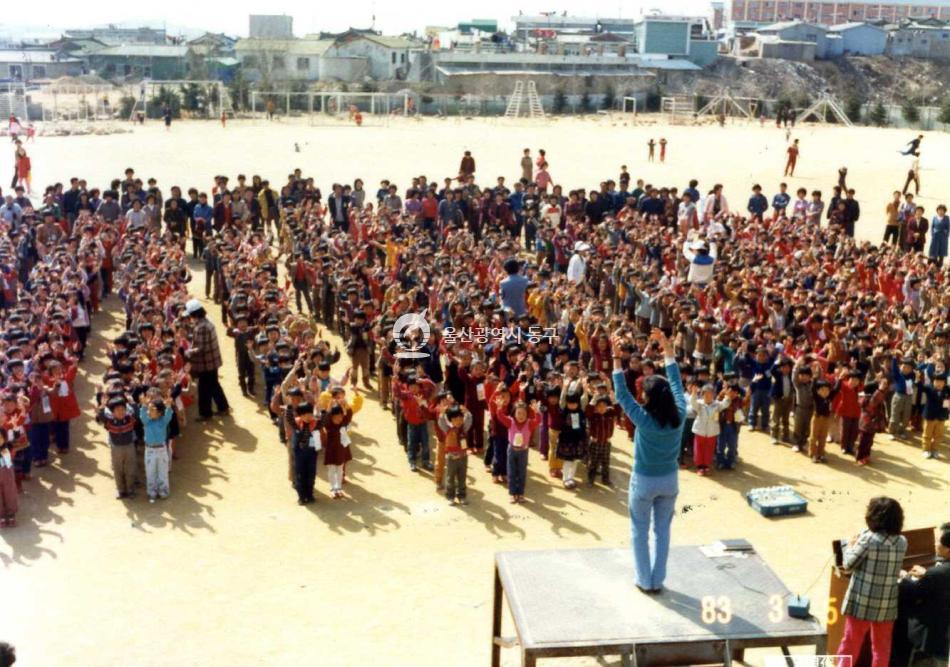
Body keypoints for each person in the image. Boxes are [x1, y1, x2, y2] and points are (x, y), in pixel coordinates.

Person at [612, 329, 686, 594]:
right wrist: (668, 351)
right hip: (670, 480)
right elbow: (676, 384)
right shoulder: (680, 414)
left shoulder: (643, 419)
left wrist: (616, 358)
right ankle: (658, 579)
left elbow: (621, 394)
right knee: (663, 532)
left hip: (643, 481)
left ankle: (645, 580)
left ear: (648, 398)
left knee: (639, 530)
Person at [837, 497, 908, 667]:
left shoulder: (868, 539)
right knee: (881, 647)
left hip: (862, 602)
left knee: (851, 642)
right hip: (887, 605)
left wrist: (850, 545)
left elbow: (847, 565)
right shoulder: (902, 542)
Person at [892, 522, 950, 667]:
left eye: (938, 541)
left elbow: (913, 592)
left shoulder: (936, 574)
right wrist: (926, 574)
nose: (935, 544)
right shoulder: (937, 573)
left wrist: (904, 577)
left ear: (948, 549)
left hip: (927, 639)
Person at [184, 298, 230, 421]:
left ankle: (206, 413)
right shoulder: (206, 322)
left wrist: (187, 352)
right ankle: (223, 407)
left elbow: (201, 348)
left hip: (206, 363)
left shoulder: (202, 327)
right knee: (214, 385)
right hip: (212, 361)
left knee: (204, 389)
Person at [139, 395, 174, 503]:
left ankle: (163, 491)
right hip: (150, 450)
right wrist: (144, 405)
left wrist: (168, 406)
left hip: (161, 450)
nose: (149, 411)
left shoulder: (162, 421)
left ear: (159, 413)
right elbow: (142, 416)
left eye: (152, 409)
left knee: (162, 472)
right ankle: (152, 492)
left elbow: (168, 416)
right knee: (150, 472)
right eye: (148, 409)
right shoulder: (147, 421)